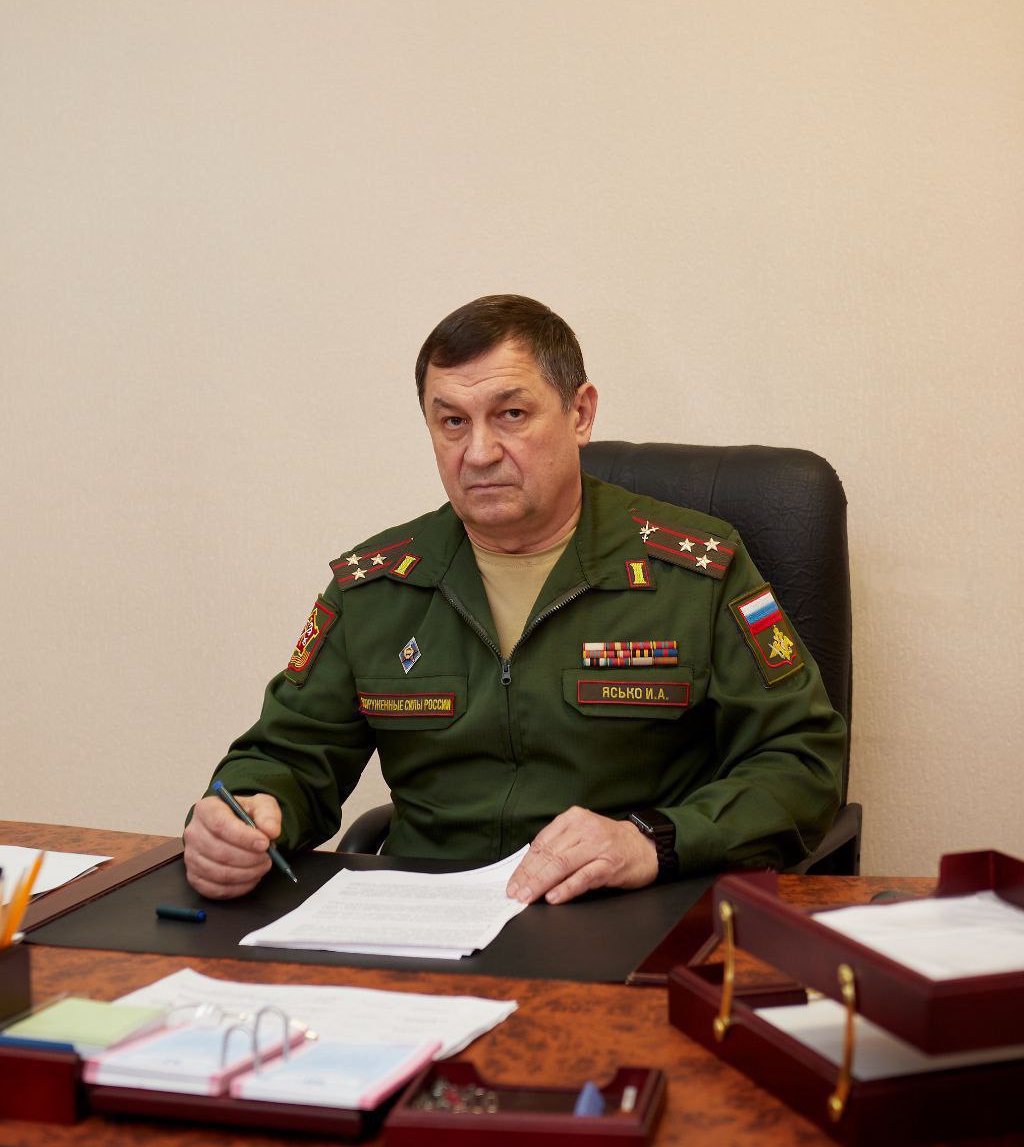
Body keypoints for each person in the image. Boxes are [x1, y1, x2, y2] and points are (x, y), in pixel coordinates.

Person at [184, 296, 845, 903]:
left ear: (580, 414)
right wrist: (245, 814)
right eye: (452, 421)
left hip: (623, 913)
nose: (478, 452)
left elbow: (803, 763)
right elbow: (287, 755)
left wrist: (653, 839)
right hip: (424, 920)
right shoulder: (377, 586)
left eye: (511, 415)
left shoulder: (696, 571)